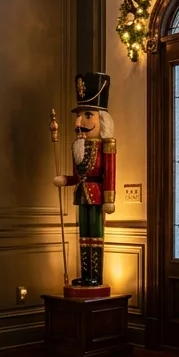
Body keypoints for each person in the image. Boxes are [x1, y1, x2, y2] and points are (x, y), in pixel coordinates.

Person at [52, 73, 116, 289]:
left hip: (97, 196)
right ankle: (85, 274)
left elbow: (110, 173)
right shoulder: (76, 147)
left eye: (87, 115)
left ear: (102, 120)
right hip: (81, 195)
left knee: (95, 237)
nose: (79, 123)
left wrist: (109, 198)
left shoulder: (106, 145)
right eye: (78, 116)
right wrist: (65, 179)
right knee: (83, 237)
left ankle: (95, 277)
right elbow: (77, 176)